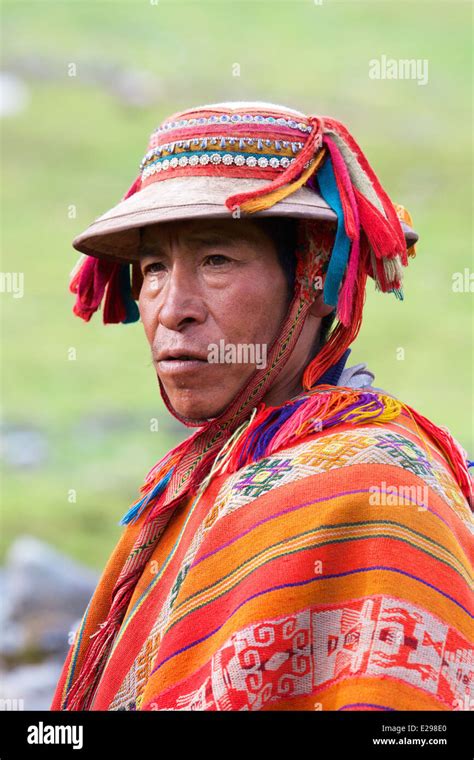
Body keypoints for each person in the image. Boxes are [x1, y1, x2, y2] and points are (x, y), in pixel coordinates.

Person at [51, 101, 473, 712]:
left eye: (216, 260)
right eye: (152, 269)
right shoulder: (187, 487)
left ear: (315, 278)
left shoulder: (380, 489)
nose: (172, 309)